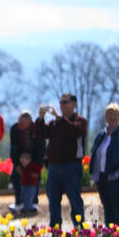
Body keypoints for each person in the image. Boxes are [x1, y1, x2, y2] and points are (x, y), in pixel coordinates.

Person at [35, 93, 89, 229]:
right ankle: (55, 229)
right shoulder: (55, 123)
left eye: (65, 102)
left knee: (75, 199)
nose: (62, 105)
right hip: (54, 167)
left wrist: (59, 117)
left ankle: (79, 228)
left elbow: (73, 131)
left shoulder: (80, 121)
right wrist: (41, 118)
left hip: (71, 166)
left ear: (74, 104)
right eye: (60, 102)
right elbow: (41, 133)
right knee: (53, 200)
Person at [89, 102, 119, 227]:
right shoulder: (101, 135)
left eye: (115, 114)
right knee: (108, 208)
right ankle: (110, 236)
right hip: (102, 178)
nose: (112, 117)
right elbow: (95, 153)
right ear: (106, 117)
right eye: (110, 114)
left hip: (117, 178)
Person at [8, 111, 44, 216]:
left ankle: (33, 203)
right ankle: (19, 202)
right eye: (19, 122)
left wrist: (36, 167)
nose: (20, 125)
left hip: (34, 158)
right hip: (20, 157)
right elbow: (13, 148)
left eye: (22, 123)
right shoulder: (15, 129)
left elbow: (41, 149)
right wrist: (17, 164)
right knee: (15, 176)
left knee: (34, 178)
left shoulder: (37, 129)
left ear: (29, 122)